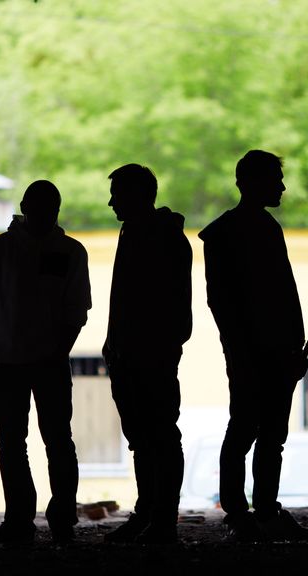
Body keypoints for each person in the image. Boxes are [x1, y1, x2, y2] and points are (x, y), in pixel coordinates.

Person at [199, 150, 308, 542]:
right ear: (253, 183)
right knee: (258, 432)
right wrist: (255, 351)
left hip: (263, 351)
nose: (282, 187)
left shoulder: (230, 232)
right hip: (259, 351)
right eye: (275, 180)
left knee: (255, 430)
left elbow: (251, 299)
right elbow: (234, 302)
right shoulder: (250, 231)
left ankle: (248, 511)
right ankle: (252, 511)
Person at [0, 180, 92, 544]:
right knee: (53, 440)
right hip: (34, 361)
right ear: (26, 206)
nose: (45, 214)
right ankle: (57, 517)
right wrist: (57, 351)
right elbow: (76, 309)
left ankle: (24, 519)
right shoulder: (69, 251)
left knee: (17, 442)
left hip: (11, 359)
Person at [102, 164, 192, 544]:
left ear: (137, 196)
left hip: (149, 353)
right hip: (134, 353)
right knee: (146, 436)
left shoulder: (158, 238)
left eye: (117, 194)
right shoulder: (142, 233)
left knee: (158, 435)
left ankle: (160, 519)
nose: (110, 203)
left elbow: (165, 305)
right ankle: (152, 514)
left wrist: (152, 346)